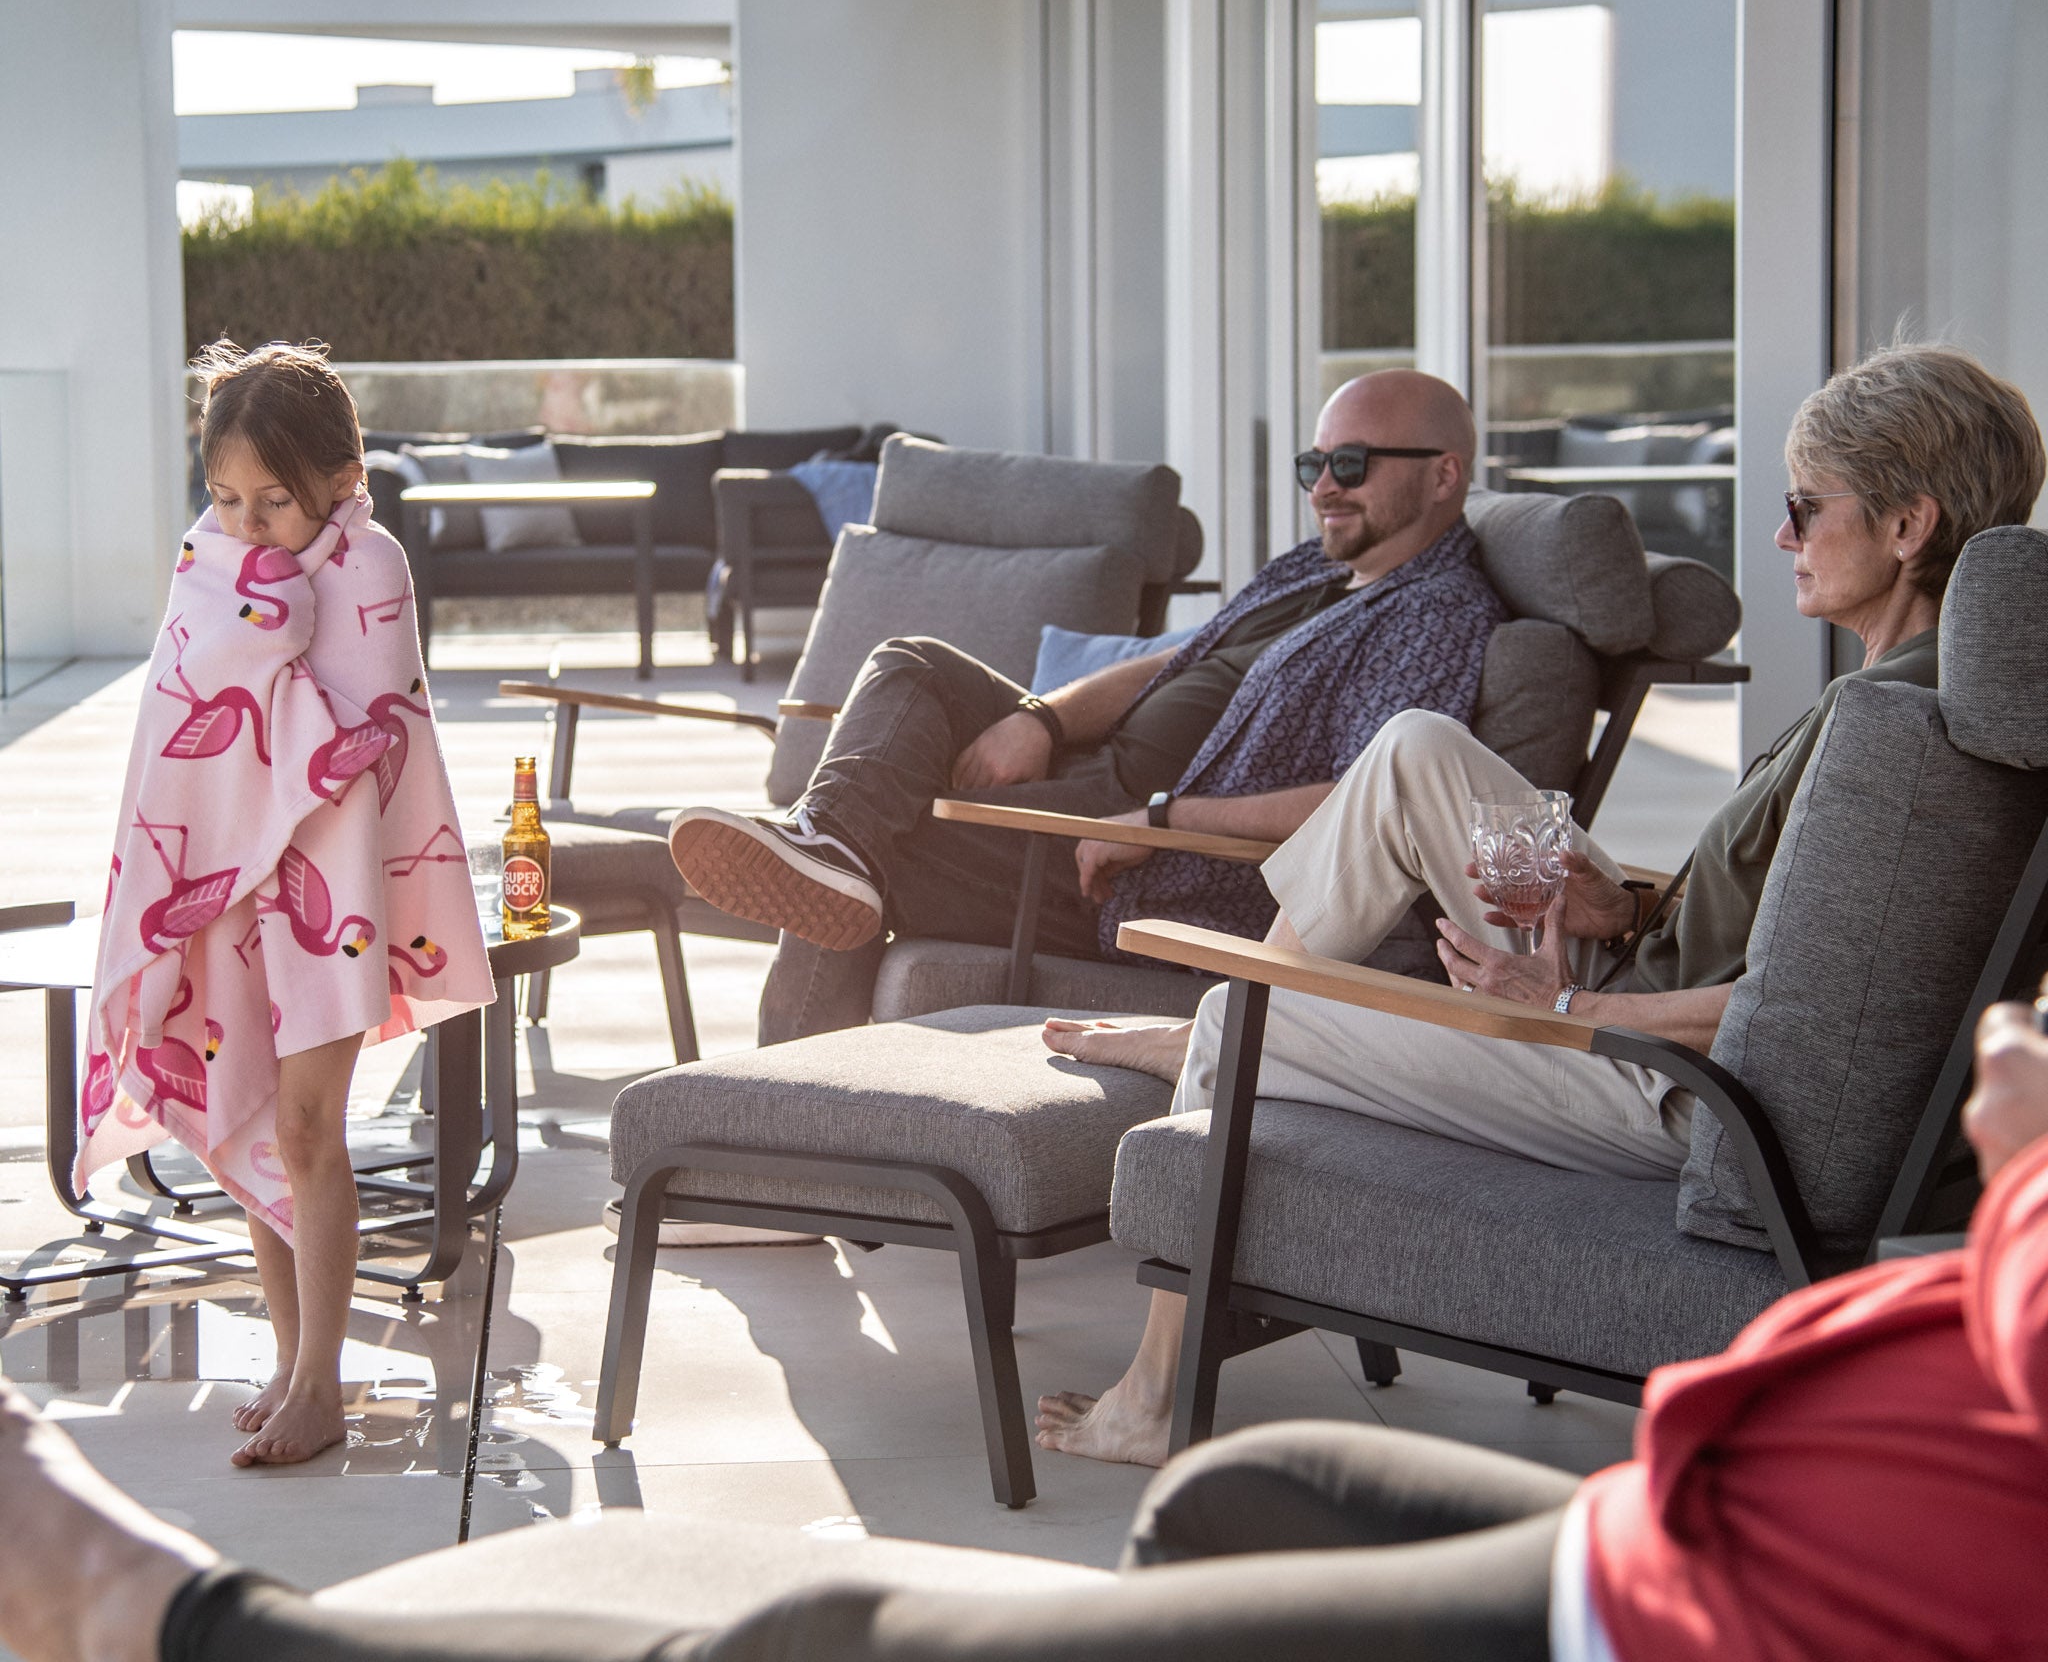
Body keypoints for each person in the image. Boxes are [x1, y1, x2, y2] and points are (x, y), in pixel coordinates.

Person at [4, 997, 2045, 1662]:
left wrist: (2024, 1162)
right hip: (1740, 1498)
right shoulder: (1886, 729)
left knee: (825, 1632)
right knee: (1252, 1487)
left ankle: (152, 1611)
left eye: (1801, 504)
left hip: (1746, 1603)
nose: (1771, 532)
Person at [1036, 341, 2046, 1465]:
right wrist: (1615, 911)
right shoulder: (1900, 708)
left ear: (1907, 525)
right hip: (1632, 983)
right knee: (1415, 746)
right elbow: (1783, 937)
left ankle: (1152, 1385)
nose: (1777, 534)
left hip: (1658, 1080)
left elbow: (1797, 1018)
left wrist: (1562, 1000)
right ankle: (1273, 1007)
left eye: (1803, 505)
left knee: (1243, 1015)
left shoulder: (1886, 749)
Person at [669, 369, 1506, 1044]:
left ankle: (768, 1152)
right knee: (913, 665)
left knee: (886, 854)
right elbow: (1175, 661)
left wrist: (1163, 818)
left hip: (1142, 863)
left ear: (1443, 474)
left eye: (1351, 465)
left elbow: (1368, 809)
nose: (1324, 486)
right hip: (1101, 782)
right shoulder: (1312, 571)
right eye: (1311, 464)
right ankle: (831, 841)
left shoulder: (1434, 613)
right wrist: (1045, 720)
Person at [75, 342, 493, 1468]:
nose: (250, 527)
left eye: (277, 502)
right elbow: (178, 714)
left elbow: (356, 740)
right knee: (256, 1112)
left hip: (332, 889)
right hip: (226, 886)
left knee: (311, 1127)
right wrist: (252, 611)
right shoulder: (209, 559)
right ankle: (289, 1357)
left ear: (342, 481)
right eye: (227, 499)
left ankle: (323, 1384)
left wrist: (265, 624)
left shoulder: (372, 567)